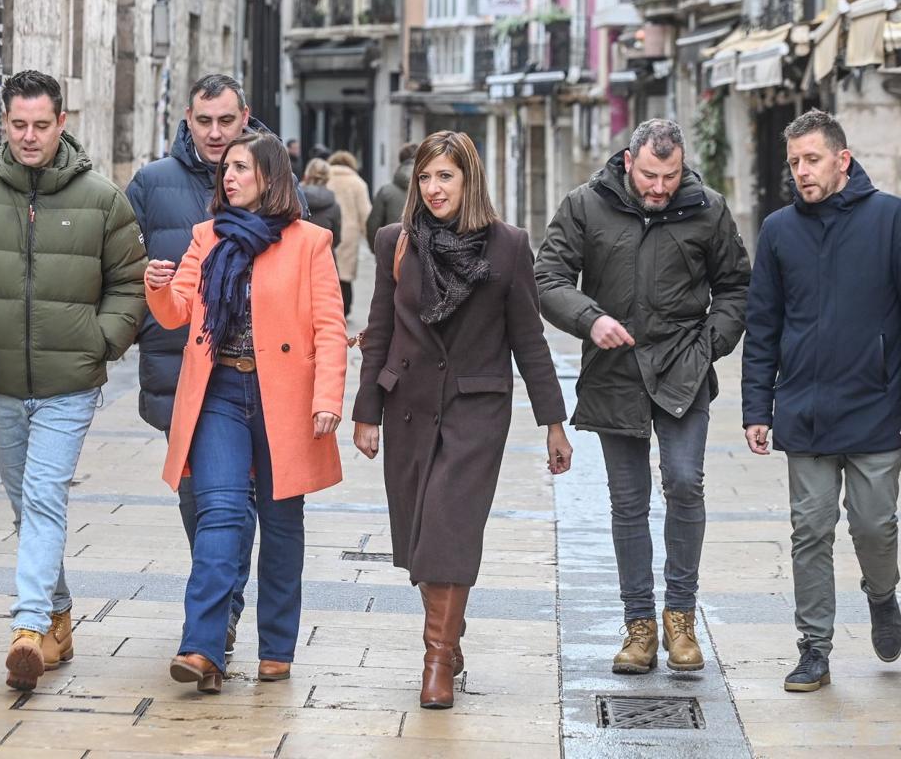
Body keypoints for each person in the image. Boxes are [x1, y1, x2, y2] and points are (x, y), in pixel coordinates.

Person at [0, 70, 147, 691]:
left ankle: (26, 629)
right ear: (4, 123)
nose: (28, 136)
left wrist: (101, 341)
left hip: (69, 381)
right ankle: (60, 616)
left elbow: (130, 283)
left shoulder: (102, 198)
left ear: (61, 124)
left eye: (40, 125)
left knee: (45, 496)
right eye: (18, 124)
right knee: (27, 506)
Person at [352, 130, 571, 709]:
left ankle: (437, 659)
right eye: (425, 177)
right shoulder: (394, 243)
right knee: (421, 538)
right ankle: (450, 634)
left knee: (449, 525)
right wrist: (365, 412)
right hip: (407, 405)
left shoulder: (508, 246)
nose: (433, 188)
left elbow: (529, 337)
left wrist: (553, 420)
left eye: (445, 176)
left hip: (477, 408)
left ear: (469, 178)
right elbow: (378, 330)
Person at [535, 118, 750, 675]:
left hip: (684, 365)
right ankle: (639, 626)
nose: (660, 187)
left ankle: (681, 616)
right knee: (627, 502)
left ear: (683, 166)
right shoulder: (585, 205)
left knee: (684, 481)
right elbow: (547, 277)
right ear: (628, 162)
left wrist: (710, 345)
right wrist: (590, 319)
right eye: (651, 175)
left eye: (671, 175)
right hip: (614, 369)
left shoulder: (709, 208)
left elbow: (736, 287)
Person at [144, 131, 346, 694]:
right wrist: (156, 287)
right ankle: (202, 647)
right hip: (220, 397)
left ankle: (277, 651)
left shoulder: (310, 242)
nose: (228, 177)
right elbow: (176, 311)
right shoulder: (206, 238)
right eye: (225, 168)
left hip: (286, 401)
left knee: (282, 526)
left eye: (241, 168)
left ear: (271, 176)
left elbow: (330, 328)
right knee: (222, 514)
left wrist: (327, 398)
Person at [742, 110, 901, 693]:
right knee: (810, 531)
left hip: (876, 409)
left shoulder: (890, 219)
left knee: (875, 526)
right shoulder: (780, 229)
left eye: (812, 160)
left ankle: (883, 597)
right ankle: (814, 649)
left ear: (843, 158)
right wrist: (758, 408)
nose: (802, 172)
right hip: (804, 411)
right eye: (794, 163)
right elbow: (763, 325)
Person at [125, 74, 274, 657]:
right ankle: (221, 605)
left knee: (240, 501)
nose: (214, 134)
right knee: (205, 503)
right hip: (179, 375)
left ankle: (220, 614)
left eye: (226, 122)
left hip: (256, 380)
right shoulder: (152, 183)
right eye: (203, 121)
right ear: (187, 118)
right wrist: (146, 321)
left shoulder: (273, 177)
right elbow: (123, 269)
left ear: (245, 118)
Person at [327, 150, 372, 317]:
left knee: (327, 271)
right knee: (345, 274)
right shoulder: (357, 183)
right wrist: (370, 237)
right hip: (349, 233)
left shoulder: (325, 178)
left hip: (327, 229)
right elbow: (365, 213)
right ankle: (344, 309)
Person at [367, 142, 417, 246]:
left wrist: (377, 250)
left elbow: (373, 225)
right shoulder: (432, 189)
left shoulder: (386, 191)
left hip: (390, 249)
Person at [299, 157, 341, 255]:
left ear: (307, 174)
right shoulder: (334, 205)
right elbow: (336, 239)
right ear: (327, 177)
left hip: (298, 256)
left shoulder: (293, 199)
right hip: (325, 256)